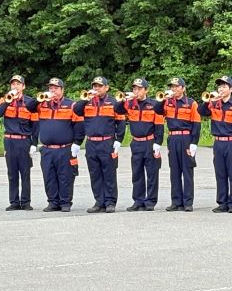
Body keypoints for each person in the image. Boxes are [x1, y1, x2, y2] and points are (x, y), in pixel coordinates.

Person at [25, 78, 84, 212]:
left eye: (56, 88)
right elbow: (29, 107)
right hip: (47, 149)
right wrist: (39, 99)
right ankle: (53, 202)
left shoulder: (71, 105)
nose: (53, 91)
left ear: (62, 90)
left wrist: (77, 143)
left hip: (65, 148)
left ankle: (65, 203)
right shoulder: (42, 104)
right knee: (49, 176)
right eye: (51, 88)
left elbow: (80, 126)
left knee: (66, 177)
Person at [73, 77, 126, 213]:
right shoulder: (87, 102)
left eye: (100, 86)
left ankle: (110, 202)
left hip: (107, 142)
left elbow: (120, 121)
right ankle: (99, 202)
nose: (97, 89)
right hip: (91, 142)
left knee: (109, 173)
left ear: (106, 88)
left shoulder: (113, 102)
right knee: (95, 174)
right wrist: (85, 99)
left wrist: (118, 140)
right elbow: (77, 111)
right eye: (95, 86)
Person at [198, 76, 232, 213]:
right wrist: (208, 101)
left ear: (231, 89)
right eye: (219, 87)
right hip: (218, 143)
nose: (221, 89)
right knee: (220, 174)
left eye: (224, 86)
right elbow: (201, 112)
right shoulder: (213, 103)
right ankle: (222, 202)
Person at [117, 78, 164, 211]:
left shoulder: (154, 104)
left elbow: (159, 125)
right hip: (136, 142)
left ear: (146, 90)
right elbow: (118, 110)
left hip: (149, 142)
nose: (136, 91)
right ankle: (138, 200)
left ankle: (150, 201)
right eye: (134, 89)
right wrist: (124, 100)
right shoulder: (130, 103)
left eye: (139, 88)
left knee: (152, 173)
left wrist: (158, 142)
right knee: (137, 173)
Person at [0, 75, 38, 211]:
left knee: (25, 173)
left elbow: (36, 125)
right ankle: (14, 201)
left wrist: (34, 144)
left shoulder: (30, 102)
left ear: (23, 86)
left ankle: (25, 202)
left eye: (18, 84)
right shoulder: (4, 100)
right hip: (9, 140)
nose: (15, 87)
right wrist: (8, 100)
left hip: (24, 141)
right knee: (12, 173)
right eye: (13, 84)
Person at [160, 77, 201, 212]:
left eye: (177, 86)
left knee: (187, 171)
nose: (174, 89)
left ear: (183, 88)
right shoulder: (167, 102)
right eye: (172, 86)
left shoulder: (191, 103)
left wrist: (194, 143)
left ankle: (188, 202)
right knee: (174, 171)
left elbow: (196, 124)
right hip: (173, 138)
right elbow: (157, 110)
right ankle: (176, 201)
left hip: (186, 138)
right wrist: (163, 99)